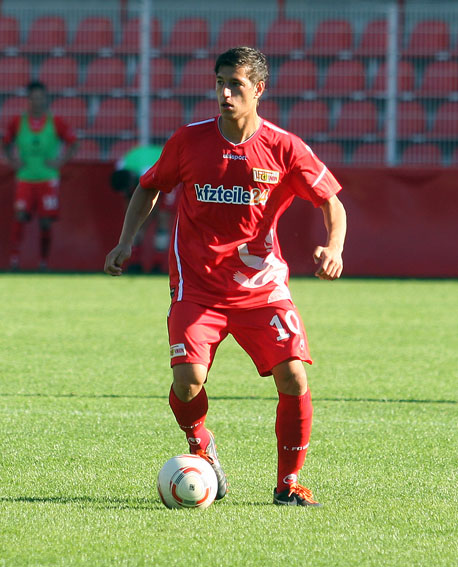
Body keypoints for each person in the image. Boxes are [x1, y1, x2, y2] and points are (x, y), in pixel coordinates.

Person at [104, 47, 346, 507]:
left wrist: (334, 248)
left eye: (236, 84)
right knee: (187, 382)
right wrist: (125, 241)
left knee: (294, 377)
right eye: (220, 82)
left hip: (261, 288)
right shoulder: (189, 141)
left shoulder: (284, 147)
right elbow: (149, 186)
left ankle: (289, 484)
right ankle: (200, 443)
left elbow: (331, 202)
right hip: (197, 286)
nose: (226, 93)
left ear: (259, 89)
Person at [2, 81, 78, 270]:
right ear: (28, 100)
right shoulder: (18, 122)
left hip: (47, 178)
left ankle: (43, 262)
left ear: (46, 99)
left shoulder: (55, 121)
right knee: (20, 215)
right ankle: (14, 260)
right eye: (34, 98)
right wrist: (12, 161)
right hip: (25, 177)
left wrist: (61, 161)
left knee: (45, 222)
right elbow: (5, 142)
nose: (38, 101)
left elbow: (73, 142)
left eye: (41, 97)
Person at [110, 144, 180, 273]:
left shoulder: (147, 171)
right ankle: (135, 262)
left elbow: (152, 195)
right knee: (137, 222)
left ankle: (158, 263)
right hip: (153, 171)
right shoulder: (122, 166)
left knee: (162, 217)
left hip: (168, 175)